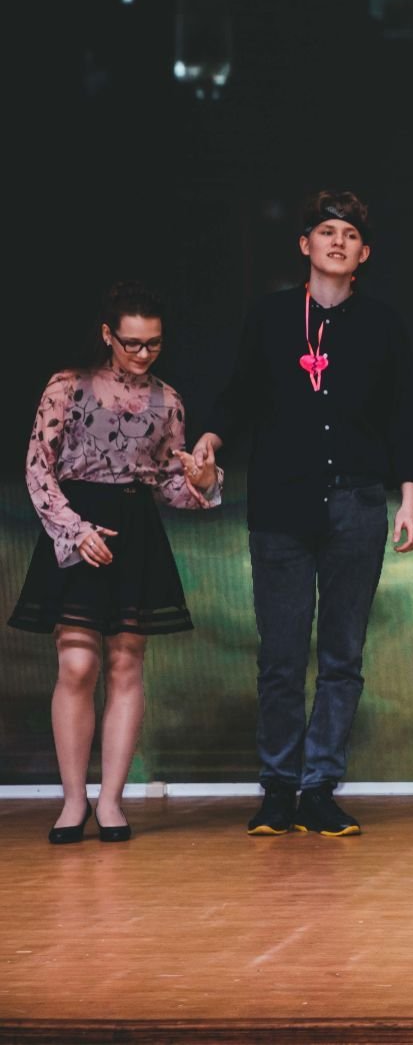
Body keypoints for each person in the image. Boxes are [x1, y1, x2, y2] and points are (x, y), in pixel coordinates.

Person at [193, 190, 413, 839]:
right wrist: (211, 437)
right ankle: (277, 787)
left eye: (349, 235)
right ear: (305, 244)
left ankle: (320, 786)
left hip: (356, 502)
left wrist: (408, 496)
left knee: (342, 655)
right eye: (326, 231)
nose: (337, 242)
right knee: (282, 655)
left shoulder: (382, 324)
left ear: (364, 253)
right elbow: (240, 393)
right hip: (281, 506)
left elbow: (403, 414)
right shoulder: (271, 317)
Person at [11, 283, 222, 844]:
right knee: (77, 664)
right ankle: (72, 800)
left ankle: (110, 801)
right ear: (108, 335)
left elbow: (169, 484)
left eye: (154, 343)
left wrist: (203, 481)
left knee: (126, 664)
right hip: (78, 524)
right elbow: (38, 467)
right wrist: (75, 530)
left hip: (134, 530)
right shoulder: (67, 386)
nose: (143, 353)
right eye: (132, 343)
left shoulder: (168, 401)